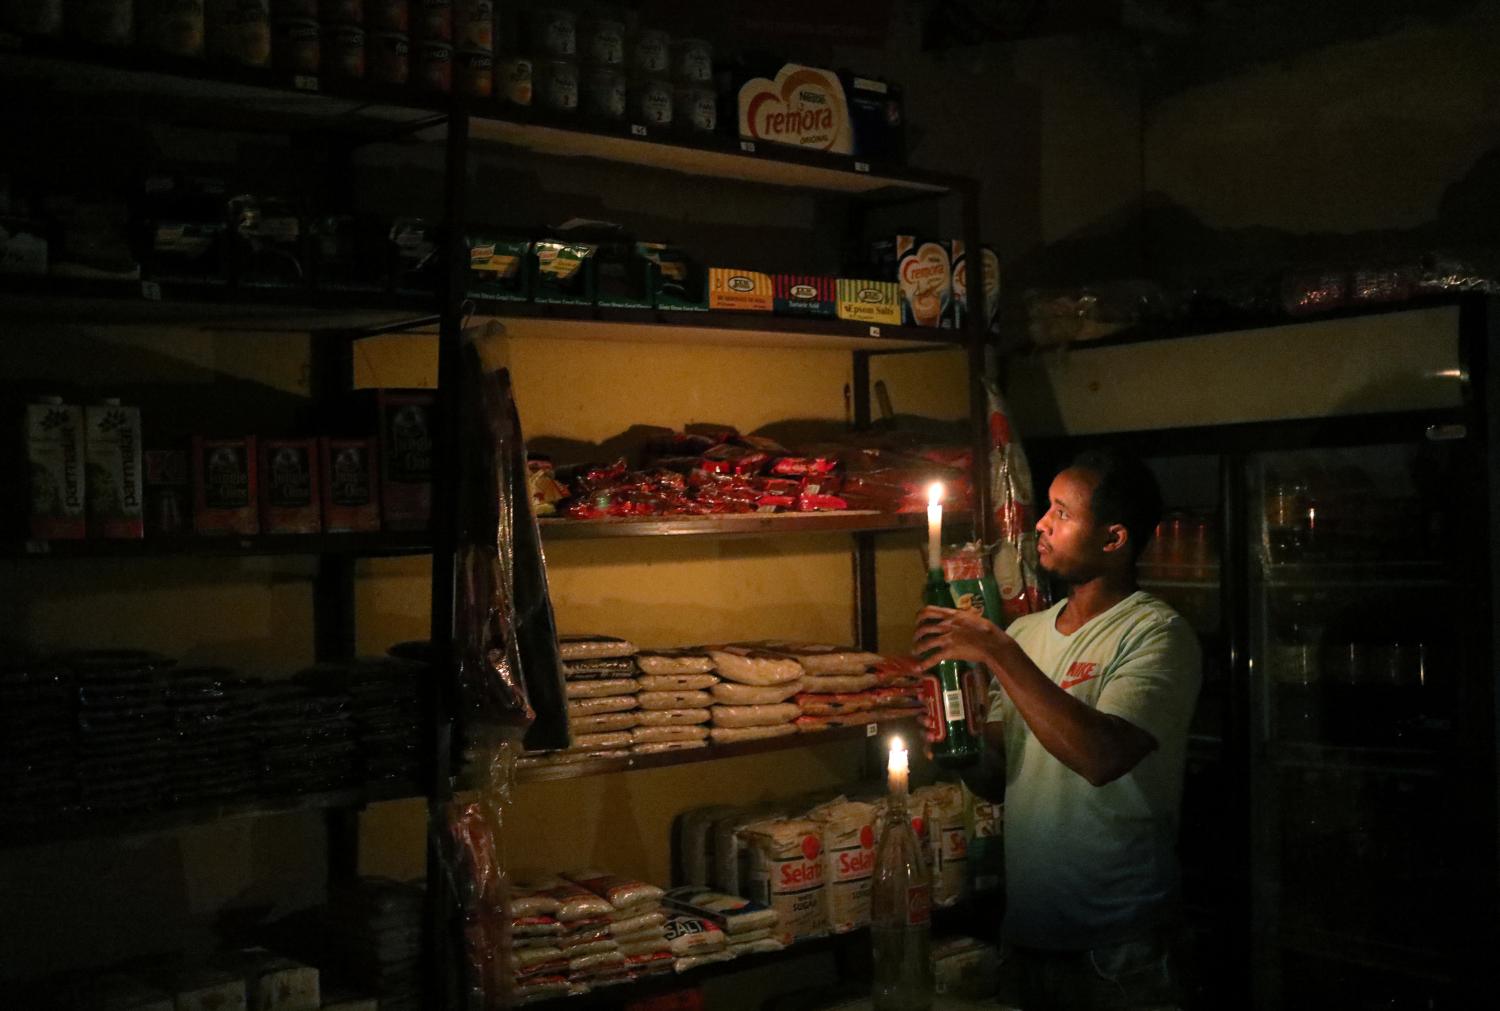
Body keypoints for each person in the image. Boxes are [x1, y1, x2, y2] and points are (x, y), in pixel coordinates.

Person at [915, 449, 1201, 1011]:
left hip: (1118, 945)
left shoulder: (1155, 634)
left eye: (1063, 513)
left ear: (1114, 539)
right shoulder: (1027, 631)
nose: (1042, 524)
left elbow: (1101, 756)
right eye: (1047, 508)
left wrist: (998, 651)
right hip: (1027, 936)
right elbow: (1000, 777)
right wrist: (954, 740)